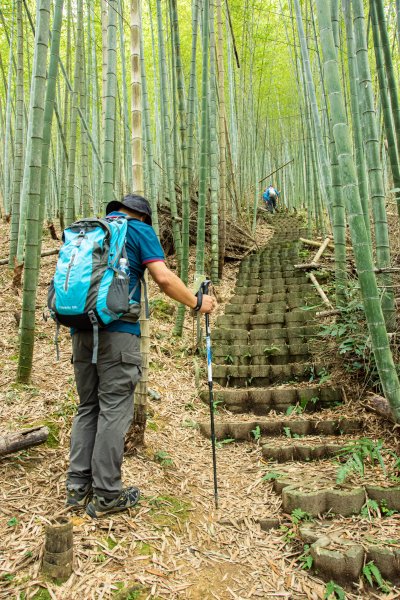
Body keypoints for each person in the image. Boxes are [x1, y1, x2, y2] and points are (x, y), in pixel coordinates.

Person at [65, 194, 217, 518]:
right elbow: (162, 278)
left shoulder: (94, 232)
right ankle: (106, 495)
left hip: (80, 331)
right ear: (144, 217)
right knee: (113, 411)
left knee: (87, 407)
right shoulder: (139, 230)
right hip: (118, 336)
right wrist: (195, 302)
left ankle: (77, 490)